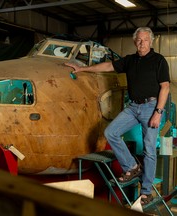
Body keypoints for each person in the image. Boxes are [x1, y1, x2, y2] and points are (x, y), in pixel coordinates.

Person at [65, 27, 170, 205]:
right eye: (138, 40)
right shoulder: (129, 60)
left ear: (151, 41)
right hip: (133, 106)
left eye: (145, 40)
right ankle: (132, 166)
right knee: (111, 132)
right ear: (134, 42)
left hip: (151, 107)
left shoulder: (159, 60)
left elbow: (165, 87)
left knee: (149, 149)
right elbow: (108, 66)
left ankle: (146, 192)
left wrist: (158, 112)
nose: (141, 43)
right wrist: (83, 69)